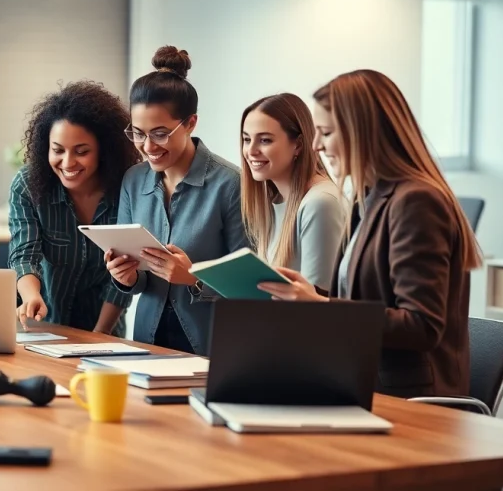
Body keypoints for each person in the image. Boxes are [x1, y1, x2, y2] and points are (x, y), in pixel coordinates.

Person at [259, 69, 480, 398]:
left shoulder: (416, 201)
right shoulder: (369, 198)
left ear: (361, 132)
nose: (317, 146)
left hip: (410, 400)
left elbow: (421, 325)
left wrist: (319, 305)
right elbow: (359, 303)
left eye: (327, 132)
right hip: (361, 382)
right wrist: (308, 296)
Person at [105, 46, 248, 354]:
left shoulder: (231, 184)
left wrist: (193, 278)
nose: (147, 147)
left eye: (160, 133)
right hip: (147, 340)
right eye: (138, 133)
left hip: (212, 347)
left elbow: (249, 285)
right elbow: (141, 281)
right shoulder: (133, 180)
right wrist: (126, 277)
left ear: (190, 123)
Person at [9, 81, 142, 336]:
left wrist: (99, 333)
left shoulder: (127, 187)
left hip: (105, 330)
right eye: (57, 150)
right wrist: (31, 296)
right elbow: (24, 254)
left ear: (103, 150)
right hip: (40, 327)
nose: (68, 162)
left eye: (81, 151)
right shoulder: (28, 185)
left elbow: (124, 272)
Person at [240, 93, 345, 287]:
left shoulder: (320, 203)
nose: (251, 151)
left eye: (265, 140)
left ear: (298, 144)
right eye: (247, 139)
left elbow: (316, 300)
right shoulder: (275, 201)